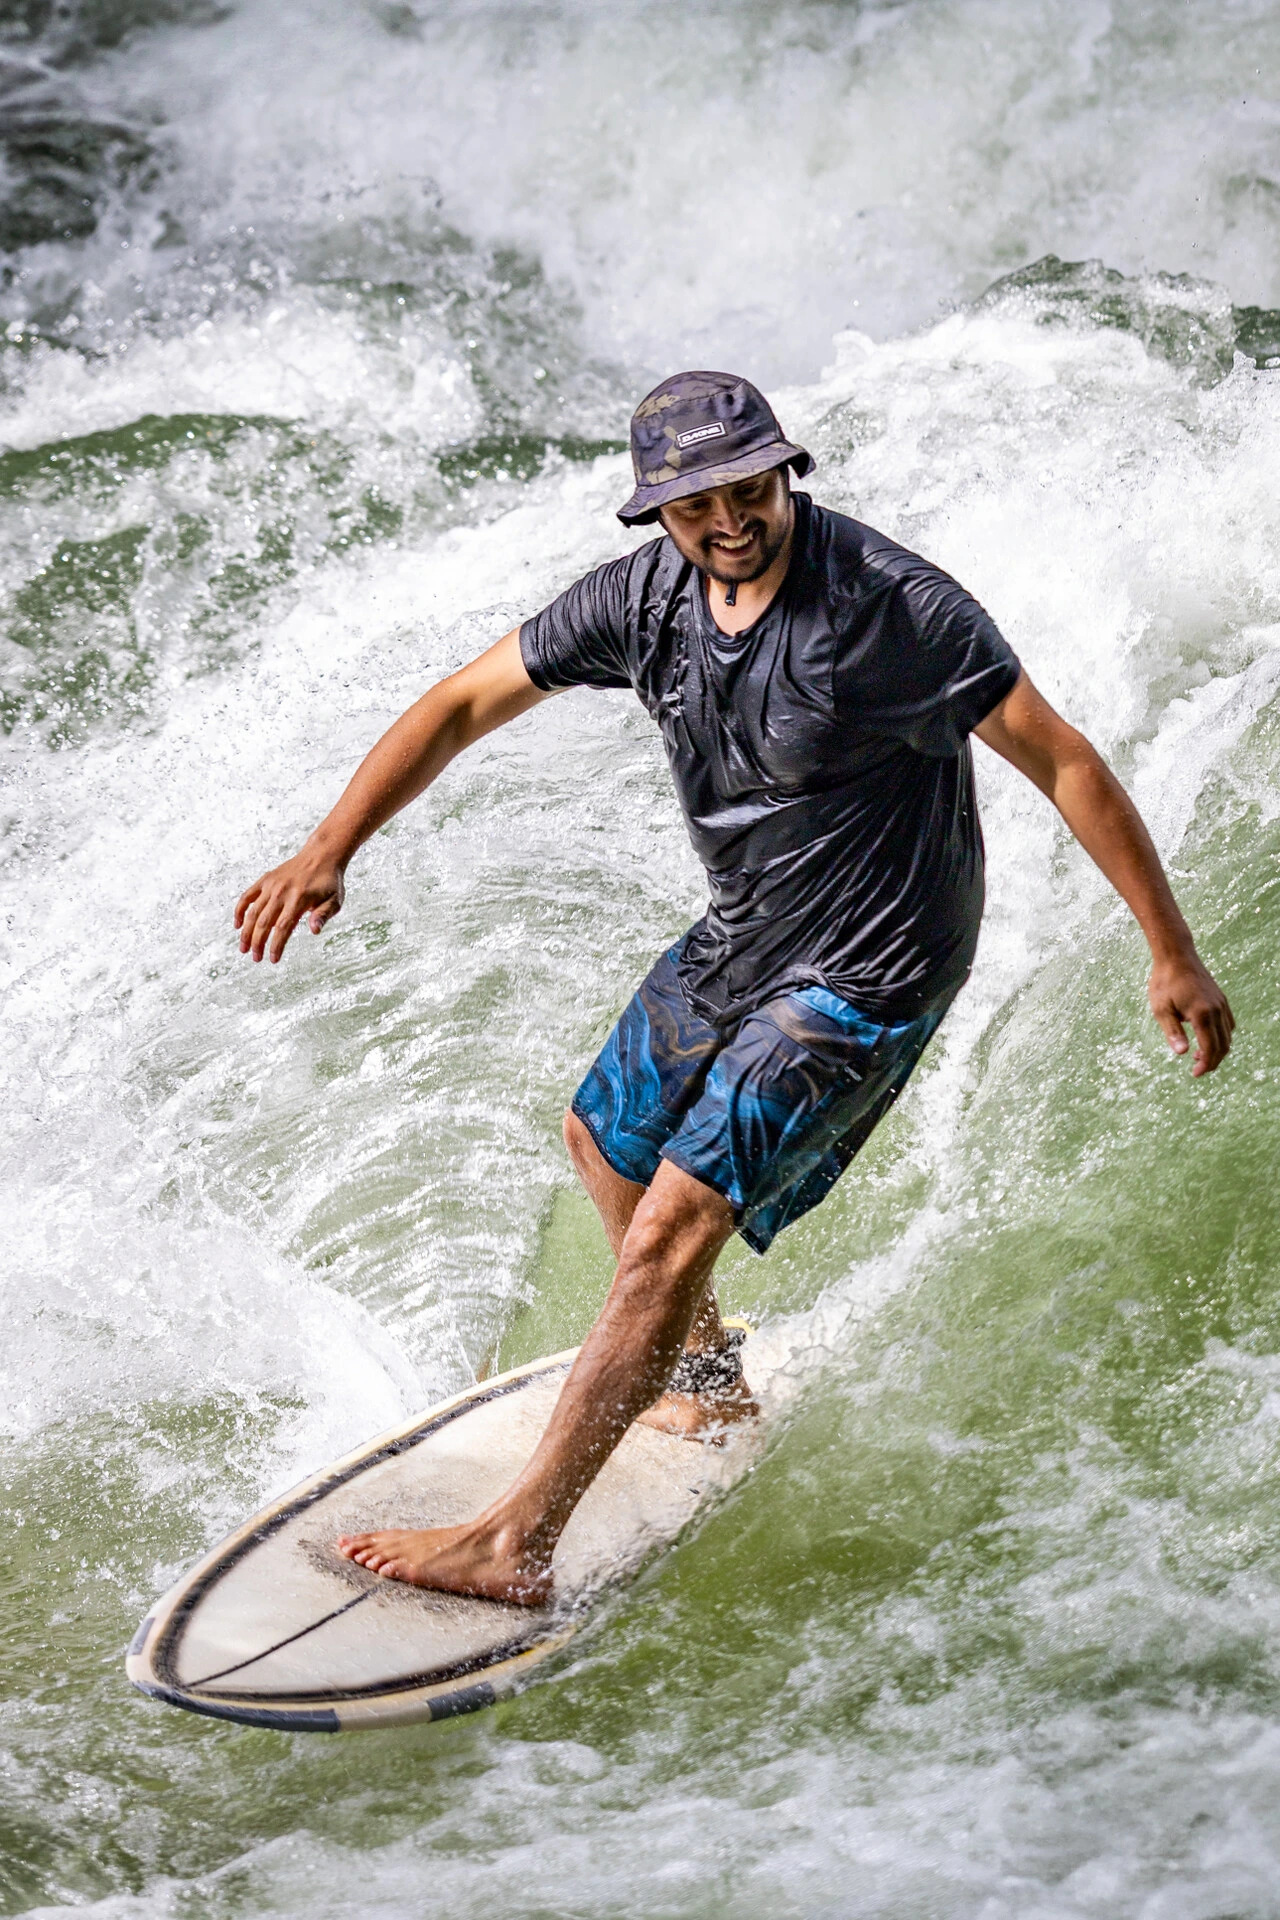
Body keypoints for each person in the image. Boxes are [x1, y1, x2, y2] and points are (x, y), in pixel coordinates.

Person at [235, 370, 1234, 1605]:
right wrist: (331, 845)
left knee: (670, 1225)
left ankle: (516, 1543)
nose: (727, 521)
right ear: (654, 510)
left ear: (784, 470)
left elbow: (1062, 758)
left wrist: (1168, 947)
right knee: (602, 1139)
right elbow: (458, 704)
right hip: (749, 927)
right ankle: (701, 1388)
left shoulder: (888, 609)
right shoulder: (643, 599)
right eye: (694, 503)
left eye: (749, 488)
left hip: (873, 960)